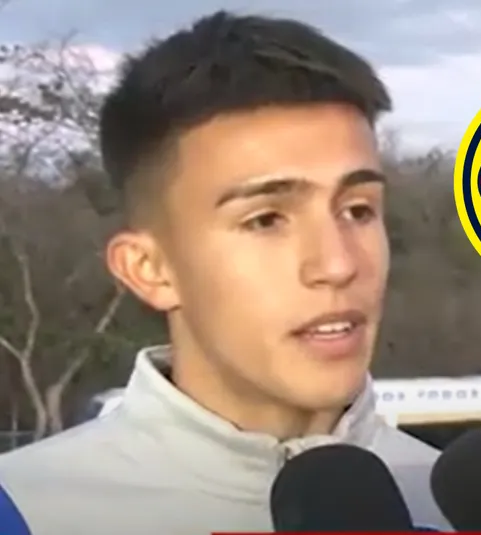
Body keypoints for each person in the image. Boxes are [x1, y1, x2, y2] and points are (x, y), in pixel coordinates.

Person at [0, 11, 450, 534]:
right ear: (149, 269)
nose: (338, 264)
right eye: (266, 220)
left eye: (358, 210)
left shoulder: (466, 509)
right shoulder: (25, 510)